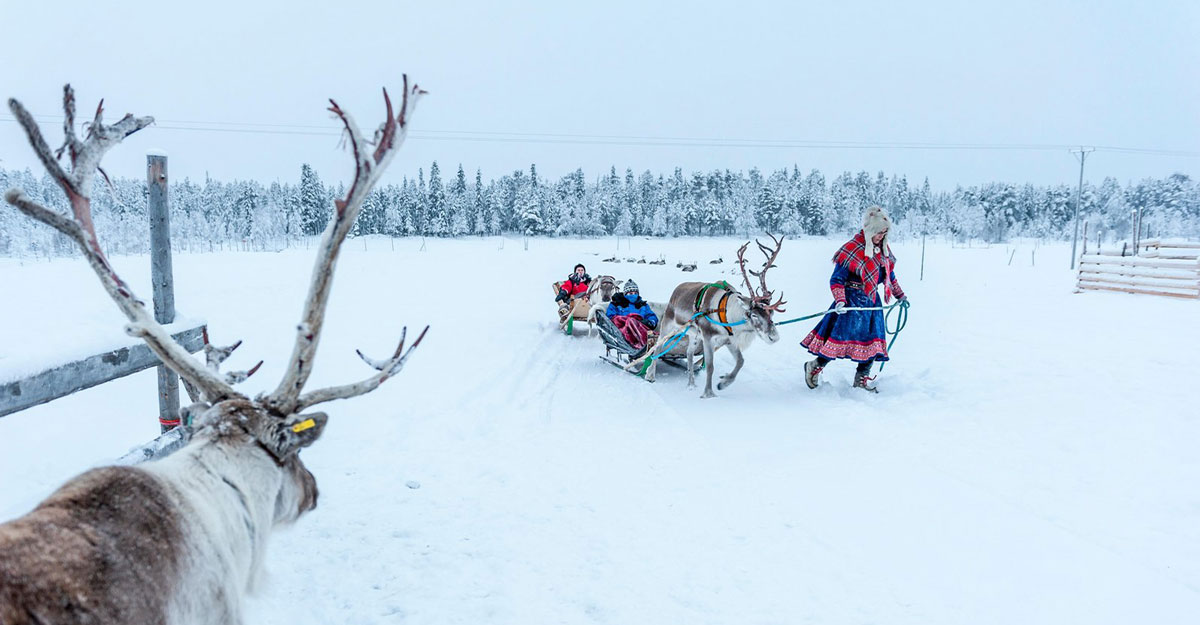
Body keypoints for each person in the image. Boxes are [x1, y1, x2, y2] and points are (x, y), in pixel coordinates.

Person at [801, 206, 909, 393]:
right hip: (850, 302)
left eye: (885, 233)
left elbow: (889, 276)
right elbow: (837, 279)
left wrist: (900, 296)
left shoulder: (883, 249)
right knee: (837, 341)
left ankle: (861, 380)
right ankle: (814, 366)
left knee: (872, 344)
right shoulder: (852, 249)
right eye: (878, 233)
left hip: (871, 304)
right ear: (870, 231)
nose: (882, 237)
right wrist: (840, 300)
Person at [605, 279, 659, 351]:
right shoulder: (617, 303)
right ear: (625, 294)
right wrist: (625, 320)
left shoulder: (642, 305)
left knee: (641, 327)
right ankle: (643, 345)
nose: (633, 295)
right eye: (630, 294)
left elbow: (651, 316)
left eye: (635, 293)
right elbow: (610, 317)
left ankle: (651, 343)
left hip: (640, 328)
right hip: (623, 331)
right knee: (631, 321)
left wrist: (650, 322)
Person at [554, 264, 592, 328]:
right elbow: (567, 287)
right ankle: (564, 312)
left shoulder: (588, 282)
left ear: (584, 272)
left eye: (582, 270)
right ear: (575, 272)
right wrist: (563, 292)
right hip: (575, 301)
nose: (580, 271)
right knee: (566, 305)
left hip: (588, 301)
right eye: (578, 270)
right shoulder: (572, 281)